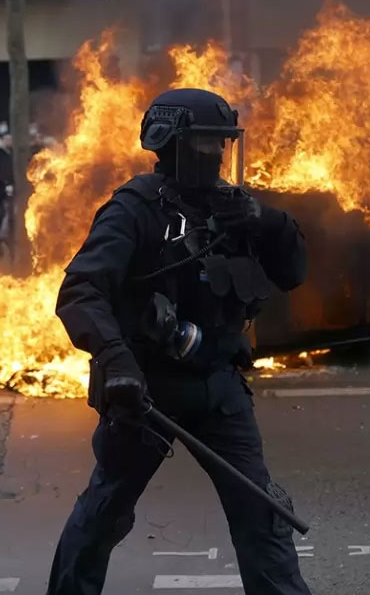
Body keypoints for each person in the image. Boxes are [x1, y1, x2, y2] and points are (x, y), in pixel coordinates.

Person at [47, 89, 312, 595]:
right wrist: (115, 359)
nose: (219, 154)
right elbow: (80, 290)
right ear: (172, 144)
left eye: (223, 142)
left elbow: (293, 272)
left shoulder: (236, 207)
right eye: (208, 142)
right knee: (105, 511)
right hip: (148, 390)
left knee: (262, 510)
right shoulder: (134, 209)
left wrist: (269, 221)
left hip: (218, 386)